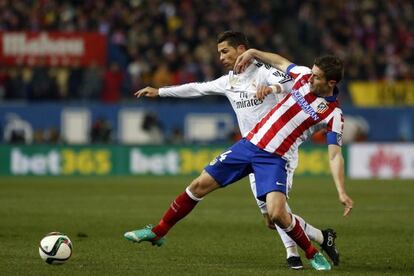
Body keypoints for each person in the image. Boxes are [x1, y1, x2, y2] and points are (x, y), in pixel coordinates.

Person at [125, 35, 353, 271]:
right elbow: (281, 63)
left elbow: (335, 154)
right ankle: (158, 230)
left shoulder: (333, 115)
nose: (310, 78)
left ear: (331, 82)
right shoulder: (303, 76)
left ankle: (307, 253)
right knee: (199, 186)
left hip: (276, 157)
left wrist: (341, 191)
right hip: (248, 146)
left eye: (317, 77)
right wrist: (254, 51)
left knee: (277, 215)